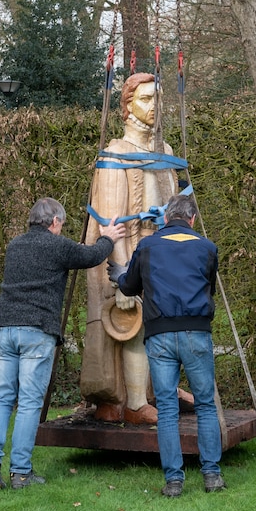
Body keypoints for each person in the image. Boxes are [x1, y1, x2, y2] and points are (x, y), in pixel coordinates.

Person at [0, 198, 126, 490]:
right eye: (62, 224)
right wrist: (109, 237)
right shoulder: (57, 246)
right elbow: (91, 256)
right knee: (30, 402)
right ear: (55, 222)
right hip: (36, 330)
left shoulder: (14, 246)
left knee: (2, 397)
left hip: (5, 327)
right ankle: (21, 473)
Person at [81, 72, 180, 426]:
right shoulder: (116, 154)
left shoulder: (165, 153)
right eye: (145, 99)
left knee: (168, 321)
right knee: (134, 323)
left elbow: (179, 210)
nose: (153, 107)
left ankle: (158, 390)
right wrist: (122, 276)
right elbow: (110, 223)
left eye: (157, 99)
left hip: (165, 253)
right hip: (130, 252)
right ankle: (136, 402)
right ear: (127, 105)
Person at [111, 194, 224, 497]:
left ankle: (174, 481)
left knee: (168, 410)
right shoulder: (207, 248)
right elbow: (208, 287)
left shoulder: (147, 246)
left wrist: (119, 275)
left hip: (159, 334)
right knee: (205, 406)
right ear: (192, 219)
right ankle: (212, 476)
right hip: (197, 333)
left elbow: (130, 286)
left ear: (164, 218)